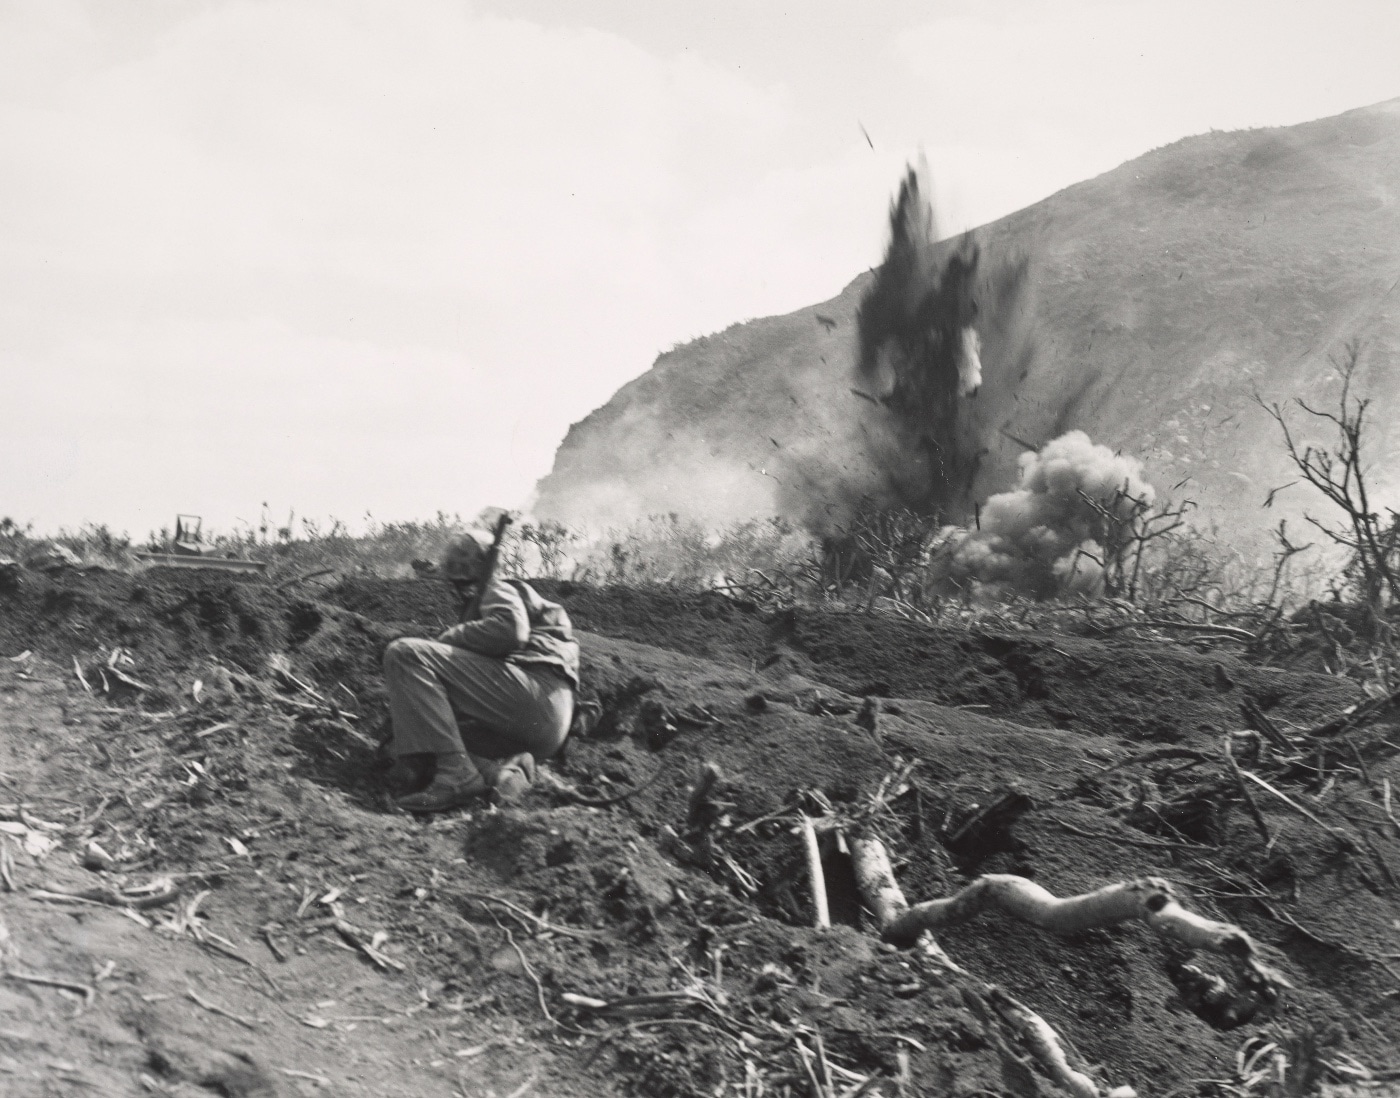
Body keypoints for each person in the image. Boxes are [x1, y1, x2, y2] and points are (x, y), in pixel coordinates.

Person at [380, 533, 579, 812]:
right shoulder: (487, 598)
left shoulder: (496, 588)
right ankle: (502, 775)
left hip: (533, 692)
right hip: (544, 722)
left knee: (404, 653)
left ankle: (457, 776)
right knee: (430, 743)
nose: (454, 589)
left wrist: (448, 639)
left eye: (458, 579)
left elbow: (511, 630)